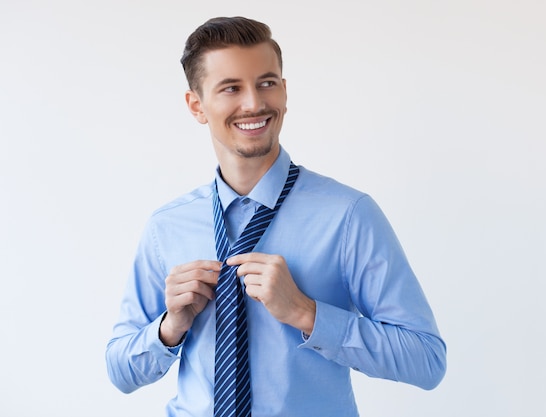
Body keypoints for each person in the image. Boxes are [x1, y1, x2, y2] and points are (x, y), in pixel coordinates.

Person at [106, 16, 446, 417]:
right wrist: (170, 326)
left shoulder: (348, 216)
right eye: (231, 88)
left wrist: (306, 313)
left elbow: (426, 360)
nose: (253, 103)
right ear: (196, 105)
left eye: (266, 82)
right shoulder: (168, 227)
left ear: (284, 91)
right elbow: (120, 371)